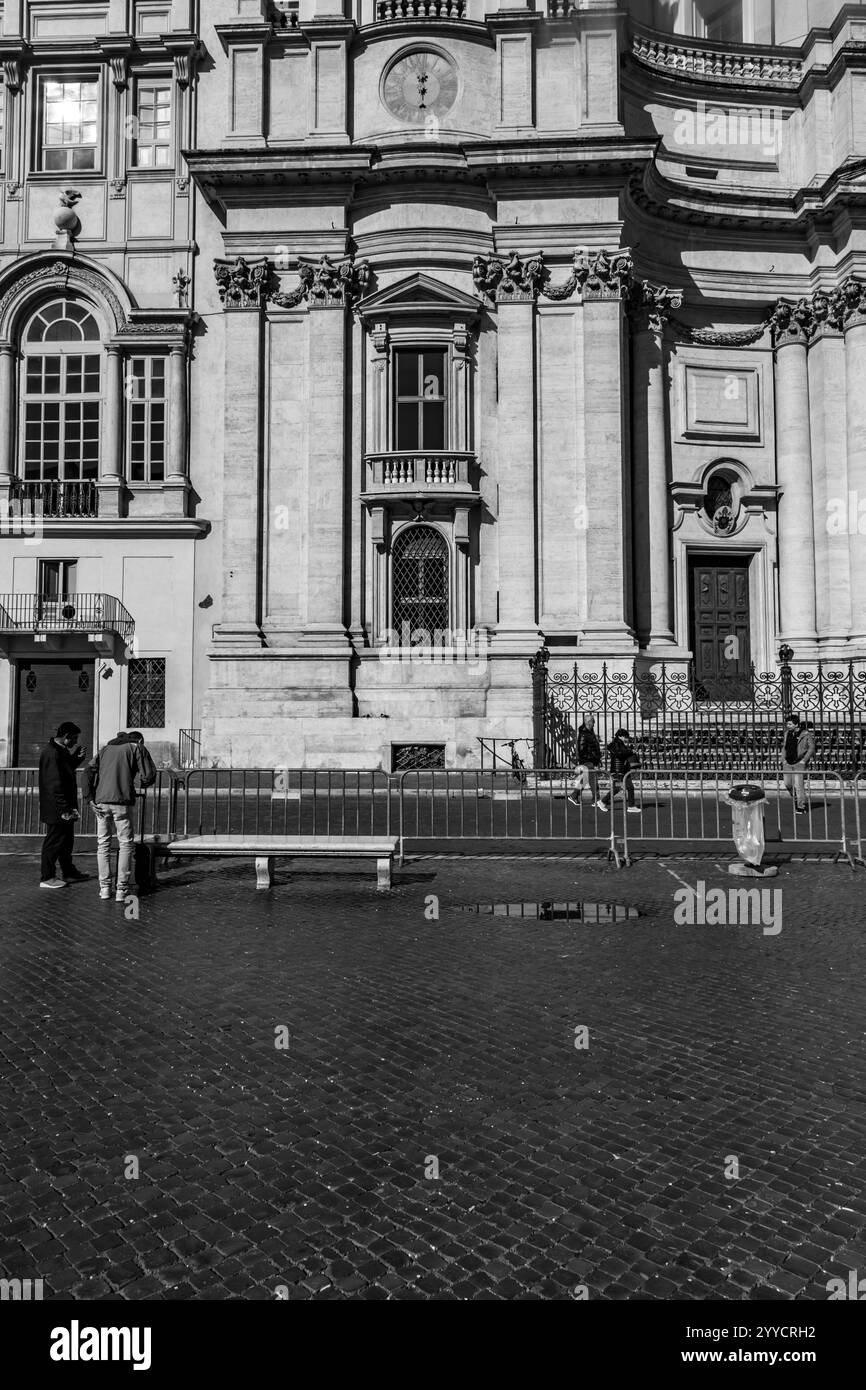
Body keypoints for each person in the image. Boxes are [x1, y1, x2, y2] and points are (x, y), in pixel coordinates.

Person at [83, 731, 157, 902]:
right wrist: (142, 783)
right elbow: (148, 775)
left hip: (101, 801)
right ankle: (121, 889)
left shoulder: (105, 749)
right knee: (125, 844)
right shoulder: (136, 747)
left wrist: (89, 798)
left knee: (103, 844)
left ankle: (104, 889)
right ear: (139, 740)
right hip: (121, 801)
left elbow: (87, 772)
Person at [38, 721, 88, 889]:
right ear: (66, 737)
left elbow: (66, 770)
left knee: (66, 841)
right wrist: (64, 807)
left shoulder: (61, 751)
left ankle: (69, 872)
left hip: (64, 806)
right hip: (58, 808)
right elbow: (54, 784)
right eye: (73, 738)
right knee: (54, 841)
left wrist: (77, 758)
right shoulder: (52, 753)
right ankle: (47, 877)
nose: (75, 741)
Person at [597, 727, 642, 814]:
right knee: (619, 787)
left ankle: (631, 806)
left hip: (623, 770)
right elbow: (619, 753)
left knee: (626, 787)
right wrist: (630, 752)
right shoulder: (616, 744)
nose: (626, 739)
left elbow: (621, 753)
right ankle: (603, 802)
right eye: (625, 737)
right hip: (619, 771)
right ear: (620, 736)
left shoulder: (618, 744)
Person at [782, 713, 814, 814]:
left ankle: (801, 806)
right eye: (787, 724)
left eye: (790, 724)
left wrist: (804, 760)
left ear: (796, 725)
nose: (788, 726)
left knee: (799, 785)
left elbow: (811, 748)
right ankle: (796, 797)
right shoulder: (787, 733)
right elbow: (784, 747)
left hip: (798, 763)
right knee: (787, 784)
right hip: (788, 763)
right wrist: (783, 760)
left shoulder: (805, 734)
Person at [570, 714, 602, 805]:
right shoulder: (584, 733)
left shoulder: (589, 732)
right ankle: (596, 799)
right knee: (593, 780)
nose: (594, 724)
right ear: (589, 722)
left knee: (585, 779)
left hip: (590, 760)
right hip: (588, 761)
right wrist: (591, 757)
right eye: (593, 722)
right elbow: (581, 749)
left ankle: (574, 796)